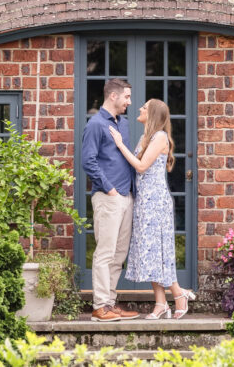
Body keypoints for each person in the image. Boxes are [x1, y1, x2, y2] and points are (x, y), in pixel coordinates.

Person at [108, 98, 196, 319]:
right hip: (144, 201)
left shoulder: (160, 137)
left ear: (153, 114)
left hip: (155, 202)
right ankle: (163, 302)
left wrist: (119, 144)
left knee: (158, 251)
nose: (140, 108)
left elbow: (140, 166)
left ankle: (174, 296)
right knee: (150, 253)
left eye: (145, 107)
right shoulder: (146, 137)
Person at [80, 77, 140, 322]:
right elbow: (88, 161)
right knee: (105, 252)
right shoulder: (95, 124)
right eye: (126, 96)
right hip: (108, 197)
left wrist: (128, 193)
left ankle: (110, 303)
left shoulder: (123, 124)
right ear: (113, 96)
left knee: (118, 254)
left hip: (126, 196)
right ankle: (99, 306)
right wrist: (111, 189)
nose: (129, 101)